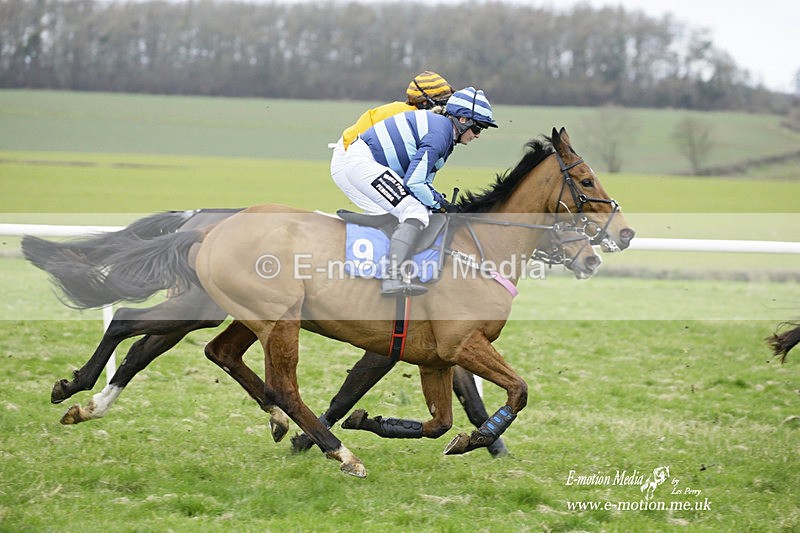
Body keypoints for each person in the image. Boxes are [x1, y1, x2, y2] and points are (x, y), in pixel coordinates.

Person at [343, 86, 498, 295]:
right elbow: (414, 182)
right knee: (414, 212)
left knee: (421, 210)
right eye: (478, 128)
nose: (478, 136)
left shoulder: (445, 134)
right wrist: (441, 205)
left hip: (370, 161)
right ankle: (392, 277)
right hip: (364, 162)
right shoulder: (440, 136)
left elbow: (424, 181)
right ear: (463, 120)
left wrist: (437, 202)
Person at [330, 71, 455, 214]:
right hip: (348, 158)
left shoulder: (425, 120)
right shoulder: (407, 115)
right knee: (389, 211)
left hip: (367, 157)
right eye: (443, 102)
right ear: (425, 102)